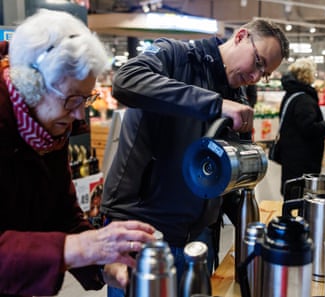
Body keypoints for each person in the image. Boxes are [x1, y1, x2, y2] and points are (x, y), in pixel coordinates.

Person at [100, 19, 289, 296]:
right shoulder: (176, 56)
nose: (256, 77)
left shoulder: (239, 97)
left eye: (265, 73)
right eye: (258, 62)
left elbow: (227, 178)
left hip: (198, 241)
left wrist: (259, 235)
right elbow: (126, 81)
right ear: (240, 36)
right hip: (143, 234)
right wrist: (215, 104)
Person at [0, 9, 158, 297]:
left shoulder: (48, 132)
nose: (79, 113)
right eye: (72, 99)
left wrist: (104, 265)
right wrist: (78, 248)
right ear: (30, 84)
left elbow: (61, 215)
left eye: (86, 99)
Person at [278, 57, 325, 196]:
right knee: (301, 193)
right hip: (303, 157)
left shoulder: (291, 94)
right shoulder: (304, 99)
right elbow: (309, 128)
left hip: (290, 153)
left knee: (291, 190)